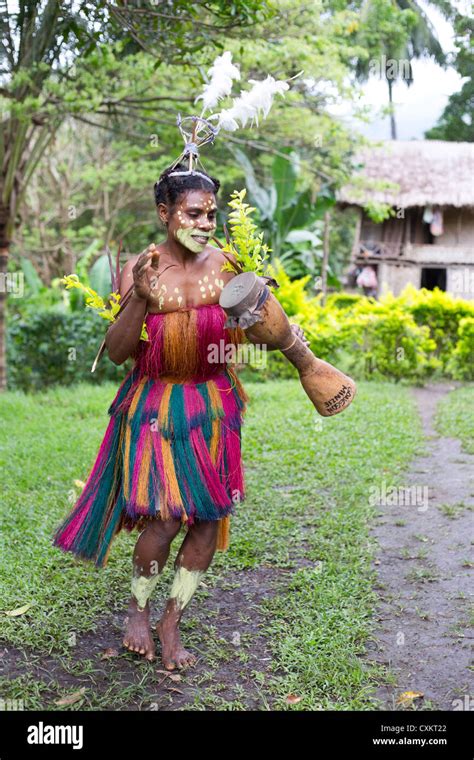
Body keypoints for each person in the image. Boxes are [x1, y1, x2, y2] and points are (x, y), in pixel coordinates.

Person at [53, 161, 308, 669]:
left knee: (209, 521)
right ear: (165, 213)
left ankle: (172, 617)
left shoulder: (229, 266)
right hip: (156, 405)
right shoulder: (142, 271)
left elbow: (255, 332)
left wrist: (257, 314)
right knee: (167, 518)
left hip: (212, 405)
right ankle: (138, 609)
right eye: (194, 213)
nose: (205, 224)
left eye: (212, 215)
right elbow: (121, 352)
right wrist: (140, 301)